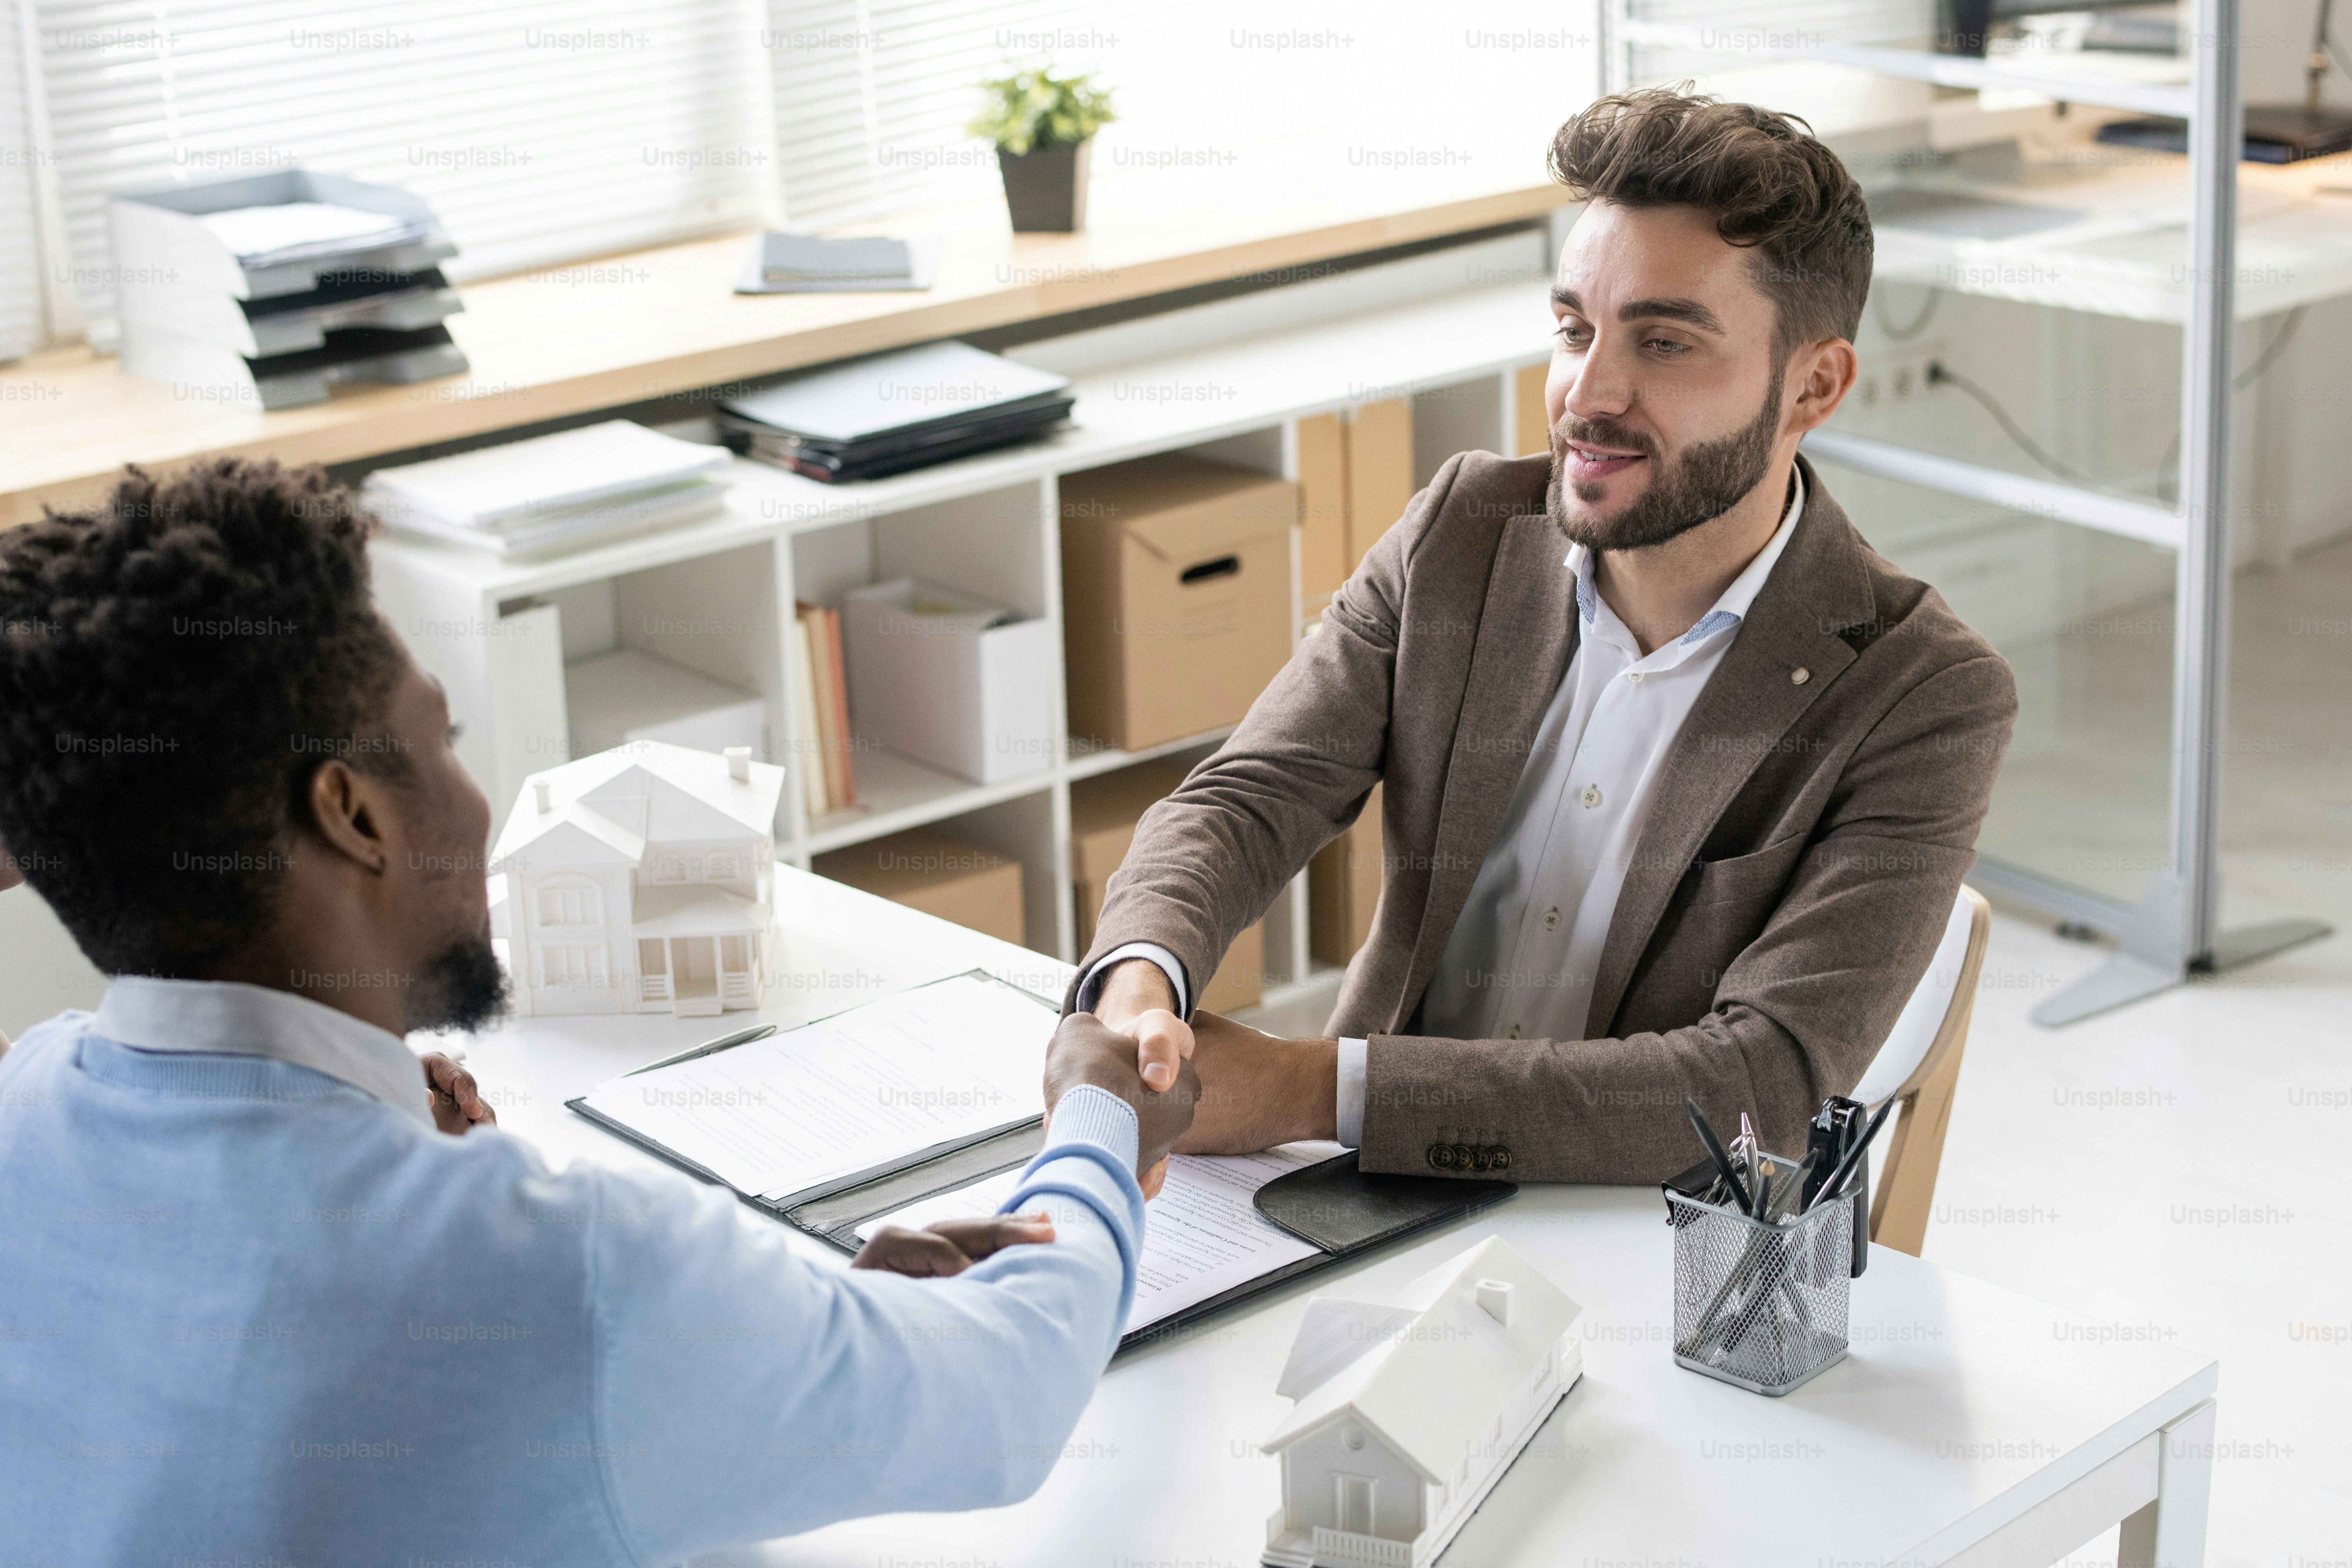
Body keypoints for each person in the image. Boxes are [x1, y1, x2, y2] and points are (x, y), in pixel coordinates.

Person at [0, 459, 1195, 1565]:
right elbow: (1006, 1400)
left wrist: (767, 1340)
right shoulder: (564, 1268)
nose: (477, 803)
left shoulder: (24, 1111)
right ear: (353, 814)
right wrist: (1094, 1124)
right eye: (443, 741)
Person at [1075, 87, 2017, 1181]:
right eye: (1575, 330)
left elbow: (1758, 1082)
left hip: (1647, 1242)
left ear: (1814, 385)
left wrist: (1306, 1087)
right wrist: (1142, 980)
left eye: (1664, 342)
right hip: (1369, 1192)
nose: (1587, 393)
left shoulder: (1924, 694)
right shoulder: (1462, 532)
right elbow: (1251, 796)